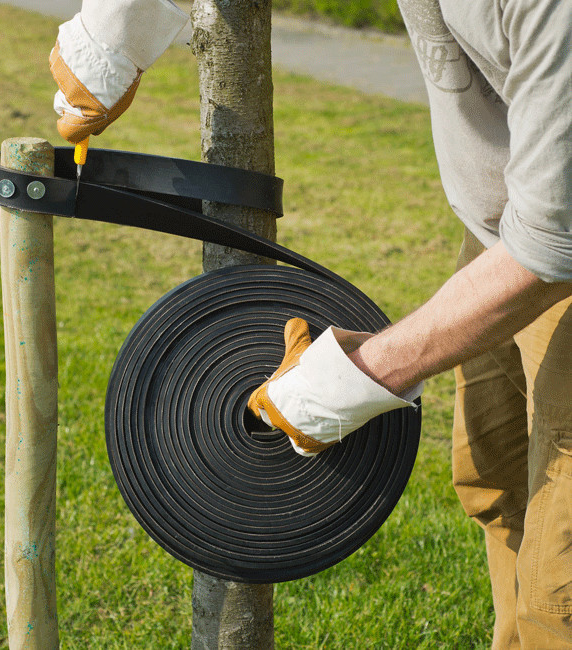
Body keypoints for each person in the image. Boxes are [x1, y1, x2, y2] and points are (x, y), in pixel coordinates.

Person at [51, 0, 572, 646]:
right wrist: (113, 36)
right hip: (504, 228)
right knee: (495, 484)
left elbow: (550, 250)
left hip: (549, 251)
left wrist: (357, 376)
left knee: (562, 577)